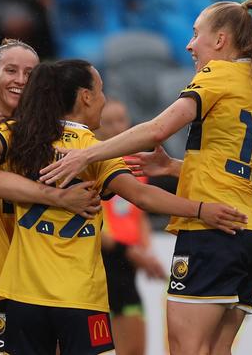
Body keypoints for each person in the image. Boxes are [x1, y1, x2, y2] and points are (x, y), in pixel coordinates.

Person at [0, 59, 247, 355]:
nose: (103, 100)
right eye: (101, 92)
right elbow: (143, 196)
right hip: (78, 297)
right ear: (85, 97)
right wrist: (200, 210)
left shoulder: (21, 135)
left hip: (22, 297)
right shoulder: (93, 147)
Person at [40, 0, 252, 355]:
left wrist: (87, 154)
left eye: (195, 34)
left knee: (186, 349)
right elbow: (235, 168)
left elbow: (157, 129)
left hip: (213, 231)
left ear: (219, 41)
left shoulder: (218, 73)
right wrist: (172, 168)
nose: (189, 45)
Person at [95, 99, 165, 355]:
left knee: (135, 348)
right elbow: (96, 224)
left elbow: (138, 214)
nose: (117, 128)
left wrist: (145, 250)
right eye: (108, 122)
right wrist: (131, 252)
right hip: (104, 261)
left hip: (127, 264)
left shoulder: (133, 164)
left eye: (121, 120)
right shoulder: (93, 163)